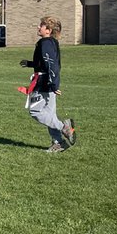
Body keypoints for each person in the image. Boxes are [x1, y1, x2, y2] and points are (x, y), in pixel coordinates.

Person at [20, 15, 76, 152]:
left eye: (41, 25)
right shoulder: (51, 42)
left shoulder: (45, 43)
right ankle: (59, 143)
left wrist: (53, 84)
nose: (38, 27)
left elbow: (51, 65)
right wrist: (30, 64)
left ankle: (65, 127)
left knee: (35, 112)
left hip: (44, 83)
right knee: (50, 114)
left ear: (48, 30)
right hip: (49, 82)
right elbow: (46, 63)